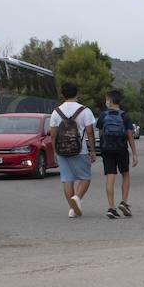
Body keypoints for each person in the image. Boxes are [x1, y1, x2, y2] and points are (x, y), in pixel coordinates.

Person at [48, 82, 97, 217]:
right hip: (80, 150)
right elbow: (90, 132)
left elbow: (52, 134)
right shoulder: (85, 110)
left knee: (67, 179)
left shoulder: (56, 112)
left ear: (63, 94)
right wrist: (92, 150)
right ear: (77, 93)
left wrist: (55, 151)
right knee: (85, 177)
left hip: (62, 150)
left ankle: (71, 209)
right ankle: (78, 198)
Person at [97, 89, 139, 219]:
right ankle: (124, 202)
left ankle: (111, 207)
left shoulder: (103, 116)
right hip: (121, 149)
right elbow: (130, 135)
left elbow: (100, 133)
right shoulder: (124, 116)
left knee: (110, 176)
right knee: (125, 174)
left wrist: (100, 148)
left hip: (107, 150)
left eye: (106, 99)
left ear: (109, 101)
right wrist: (134, 153)